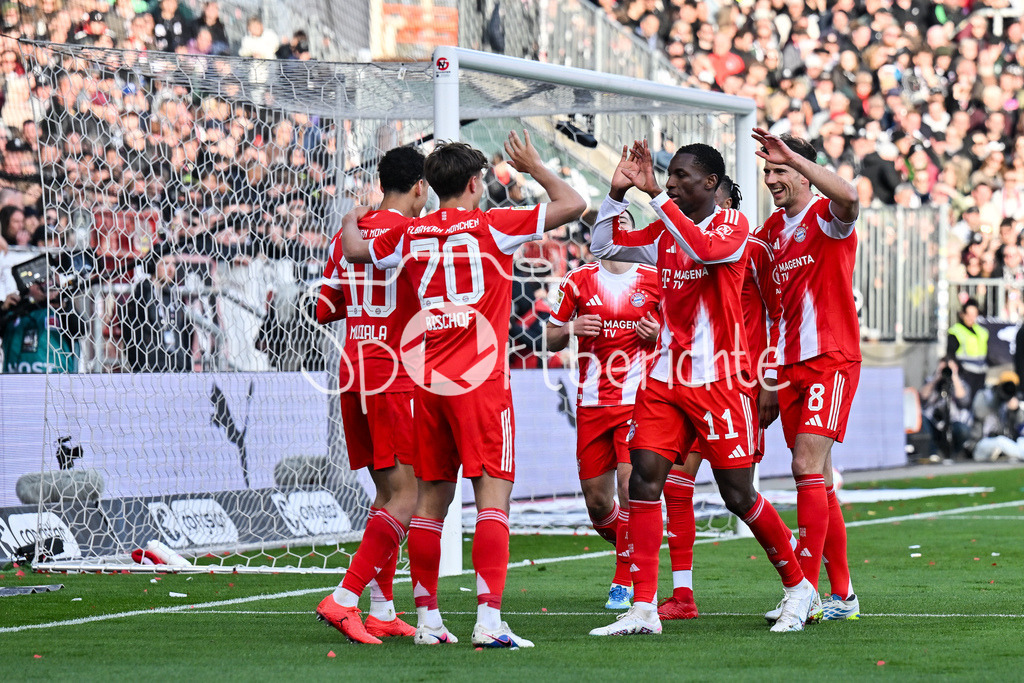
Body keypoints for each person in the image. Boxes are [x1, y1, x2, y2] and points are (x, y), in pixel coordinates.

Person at [342, 131, 586, 647]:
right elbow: (574, 203)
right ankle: (489, 621)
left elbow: (358, 252)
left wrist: (348, 218)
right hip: (479, 382)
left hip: (427, 382)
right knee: (493, 497)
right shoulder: (495, 225)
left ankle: (428, 621)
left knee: (432, 502)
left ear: (431, 184)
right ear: (476, 184)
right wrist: (535, 166)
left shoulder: (410, 233)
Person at [588, 140, 818, 637]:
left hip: (719, 382)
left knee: (738, 494)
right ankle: (644, 608)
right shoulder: (665, 230)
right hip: (663, 380)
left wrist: (656, 201)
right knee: (645, 481)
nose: (670, 182)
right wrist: (616, 193)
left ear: (711, 183)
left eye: (682, 176)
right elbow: (603, 247)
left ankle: (799, 587)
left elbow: (705, 250)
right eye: (668, 176)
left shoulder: (732, 225)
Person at [313, 146, 429, 645]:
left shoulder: (349, 234)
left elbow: (323, 308)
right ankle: (345, 597)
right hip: (394, 374)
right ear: (420, 186)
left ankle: (382, 608)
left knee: (385, 493)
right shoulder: (415, 234)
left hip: (353, 368)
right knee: (409, 494)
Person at [658, 175, 781, 621]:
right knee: (673, 482)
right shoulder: (681, 239)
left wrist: (769, 379)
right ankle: (682, 595)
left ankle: (800, 585)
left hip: (736, 381)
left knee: (739, 493)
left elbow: (777, 311)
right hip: (691, 379)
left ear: (724, 199)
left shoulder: (747, 246)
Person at [751, 128, 861, 622]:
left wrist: (797, 156)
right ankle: (843, 595)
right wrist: (769, 377)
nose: (772, 179)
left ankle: (806, 593)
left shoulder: (826, 217)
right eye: (768, 170)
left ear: (803, 172)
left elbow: (851, 195)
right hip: (789, 367)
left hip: (832, 360)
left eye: (780, 170)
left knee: (803, 468)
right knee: (817, 477)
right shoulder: (769, 234)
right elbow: (773, 314)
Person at [544, 237, 661, 610]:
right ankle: (638, 547)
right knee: (598, 503)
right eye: (609, 226)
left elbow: (681, 331)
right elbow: (549, 337)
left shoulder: (654, 279)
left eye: (623, 224)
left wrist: (658, 334)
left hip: (637, 401)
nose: (617, 232)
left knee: (630, 489)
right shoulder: (578, 281)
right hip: (592, 403)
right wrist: (571, 329)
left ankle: (624, 577)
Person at [121, 254, 193, 373]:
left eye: (174, 264)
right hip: (150, 370)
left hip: (178, 369)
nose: (171, 269)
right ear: (152, 266)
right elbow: (130, 336)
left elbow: (185, 335)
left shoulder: (176, 297)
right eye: (165, 264)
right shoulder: (141, 297)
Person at [919, 358, 972, 460]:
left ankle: (956, 454)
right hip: (934, 423)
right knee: (921, 419)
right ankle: (933, 453)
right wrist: (936, 378)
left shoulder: (960, 383)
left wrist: (954, 375)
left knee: (963, 430)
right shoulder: (931, 381)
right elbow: (922, 396)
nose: (945, 371)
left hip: (953, 423)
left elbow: (963, 399)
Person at [970, 370, 1024, 462]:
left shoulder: (1012, 399)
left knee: (1021, 441)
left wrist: (1016, 410)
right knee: (1000, 441)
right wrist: (997, 400)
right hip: (981, 442)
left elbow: (1020, 423)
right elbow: (979, 413)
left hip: (1006, 441)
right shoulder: (984, 394)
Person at [947, 298, 989, 400]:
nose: (971, 318)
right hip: (965, 374)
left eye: (974, 314)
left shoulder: (982, 331)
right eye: (968, 314)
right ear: (962, 314)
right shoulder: (956, 331)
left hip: (981, 374)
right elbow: (950, 354)